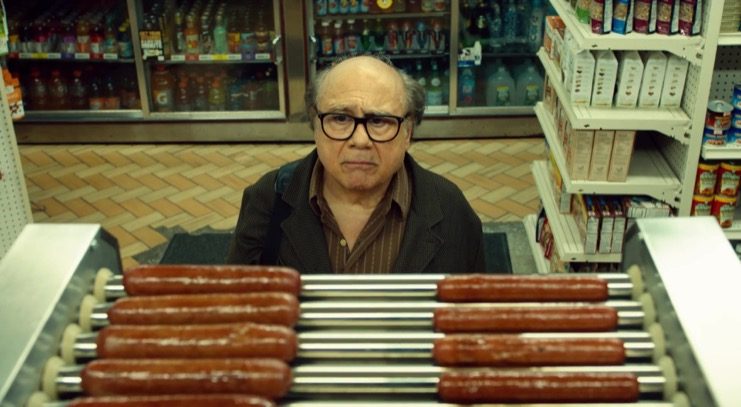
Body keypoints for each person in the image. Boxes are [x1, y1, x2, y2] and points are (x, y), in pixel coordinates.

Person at [227, 55, 485, 273]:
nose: (360, 141)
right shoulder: (269, 198)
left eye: (379, 121)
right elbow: (238, 301)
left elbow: (471, 309)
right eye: (340, 118)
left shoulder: (451, 209)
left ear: (408, 132)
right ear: (315, 125)